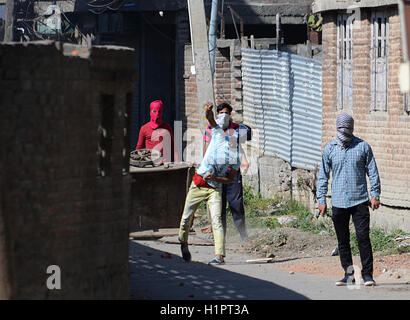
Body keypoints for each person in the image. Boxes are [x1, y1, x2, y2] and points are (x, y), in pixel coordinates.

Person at [317, 114, 381, 287]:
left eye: (347, 129)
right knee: (343, 240)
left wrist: (375, 194)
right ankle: (349, 275)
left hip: (359, 201)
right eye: (342, 129)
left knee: (363, 238)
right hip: (338, 202)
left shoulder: (363, 147)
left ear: (352, 129)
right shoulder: (329, 149)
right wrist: (321, 199)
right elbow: (322, 176)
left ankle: (368, 275)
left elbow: (373, 172)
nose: (344, 133)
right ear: (337, 129)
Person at [178, 102, 242, 265]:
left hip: (214, 188)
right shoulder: (219, 134)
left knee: (217, 220)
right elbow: (211, 120)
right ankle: (183, 244)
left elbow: (228, 179)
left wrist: (215, 179)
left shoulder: (235, 158)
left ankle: (219, 256)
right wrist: (208, 110)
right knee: (186, 218)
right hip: (198, 183)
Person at [202, 102, 249, 241]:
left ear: (231, 115)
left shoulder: (235, 128)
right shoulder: (211, 128)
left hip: (232, 171)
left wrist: (244, 162)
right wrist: (207, 167)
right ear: (217, 114)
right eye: (222, 113)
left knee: (236, 203)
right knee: (218, 204)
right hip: (216, 171)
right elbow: (206, 147)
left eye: (227, 113)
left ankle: (243, 235)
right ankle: (220, 236)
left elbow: (238, 147)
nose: (224, 116)